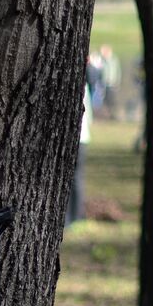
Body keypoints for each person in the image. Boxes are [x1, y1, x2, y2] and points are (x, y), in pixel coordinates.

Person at [68, 85, 91, 226]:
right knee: (76, 178)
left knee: (75, 178)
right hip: (82, 138)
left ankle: (74, 215)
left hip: (79, 138)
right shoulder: (84, 86)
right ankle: (76, 215)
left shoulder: (80, 85)